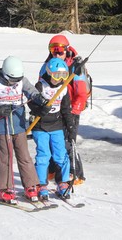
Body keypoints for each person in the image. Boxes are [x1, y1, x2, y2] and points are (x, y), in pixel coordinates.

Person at [0, 56, 51, 203]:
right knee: (6, 158)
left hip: (19, 126)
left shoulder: (22, 81)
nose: (15, 83)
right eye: (13, 80)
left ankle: (30, 186)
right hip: (3, 127)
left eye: (18, 80)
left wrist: (40, 99)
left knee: (24, 156)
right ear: (5, 74)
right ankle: (5, 189)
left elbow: (33, 93)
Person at [40, 34, 87, 184]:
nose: (56, 53)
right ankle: (53, 171)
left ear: (66, 50)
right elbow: (41, 88)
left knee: (68, 142)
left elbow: (81, 93)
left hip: (70, 109)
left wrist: (74, 111)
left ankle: (75, 172)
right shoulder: (47, 65)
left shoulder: (75, 67)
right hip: (52, 110)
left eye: (60, 50)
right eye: (53, 50)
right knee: (52, 141)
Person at [28, 57, 76, 200]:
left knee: (60, 155)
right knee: (44, 155)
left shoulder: (64, 88)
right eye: (56, 76)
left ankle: (62, 182)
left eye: (63, 76)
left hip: (56, 125)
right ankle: (41, 184)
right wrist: (39, 110)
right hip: (40, 126)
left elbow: (66, 109)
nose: (59, 79)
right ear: (49, 73)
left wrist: (71, 126)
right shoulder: (40, 86)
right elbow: (31, 104)